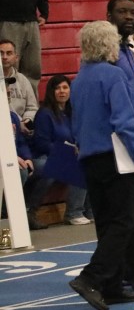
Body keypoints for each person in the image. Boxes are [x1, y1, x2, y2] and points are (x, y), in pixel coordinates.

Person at [69, 20, 134, 310]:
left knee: (105, 221)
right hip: (114, 157)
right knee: (124, 221)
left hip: (90, 158)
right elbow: (123, 122)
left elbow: (77, 121)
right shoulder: (113, 75)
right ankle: (91, 277)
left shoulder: (79, 78)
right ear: (109, 44)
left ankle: (112, 286)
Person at [26, 75, 91, 227]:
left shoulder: (71, 113)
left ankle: (90, 210)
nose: (62, 91)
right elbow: (41, 143)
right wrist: (65, 152)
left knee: (89, 161)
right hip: (43, 156)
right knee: (69, 166)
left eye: (65, 87)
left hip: (65, 155)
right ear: (51, 91)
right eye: (57, 88)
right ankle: (73, 213)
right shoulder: (44, 113)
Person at [9, 110, 42, 229]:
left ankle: (27, 212)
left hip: (15, 158)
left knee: (37, 167)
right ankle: (8, 215)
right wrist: (11, 156)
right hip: (6, 159)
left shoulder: (12, 115)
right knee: (19, 172)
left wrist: (27, 158)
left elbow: (21, 142)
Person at [1, 38, 38, 132]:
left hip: (20, 130)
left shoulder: (23, 80)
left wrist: (26, 120)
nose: (4, 57)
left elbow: (32, 108)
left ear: (16, 58)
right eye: (1, 53)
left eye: (9, 53)